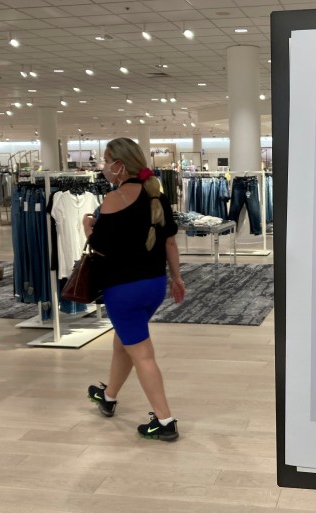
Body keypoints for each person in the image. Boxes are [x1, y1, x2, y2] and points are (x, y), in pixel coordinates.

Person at [83, 137, 186, 441]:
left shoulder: (114, 200)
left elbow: (98, 247)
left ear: (119, 164)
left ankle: (165, 421)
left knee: (142, 354)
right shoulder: (157, 197)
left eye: (105, 160)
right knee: (124, 342)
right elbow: (169, 242)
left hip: (123, 290)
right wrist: (177, 278)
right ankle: (109, 396)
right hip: (153, 286)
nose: (103, 167)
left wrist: (88, 226)